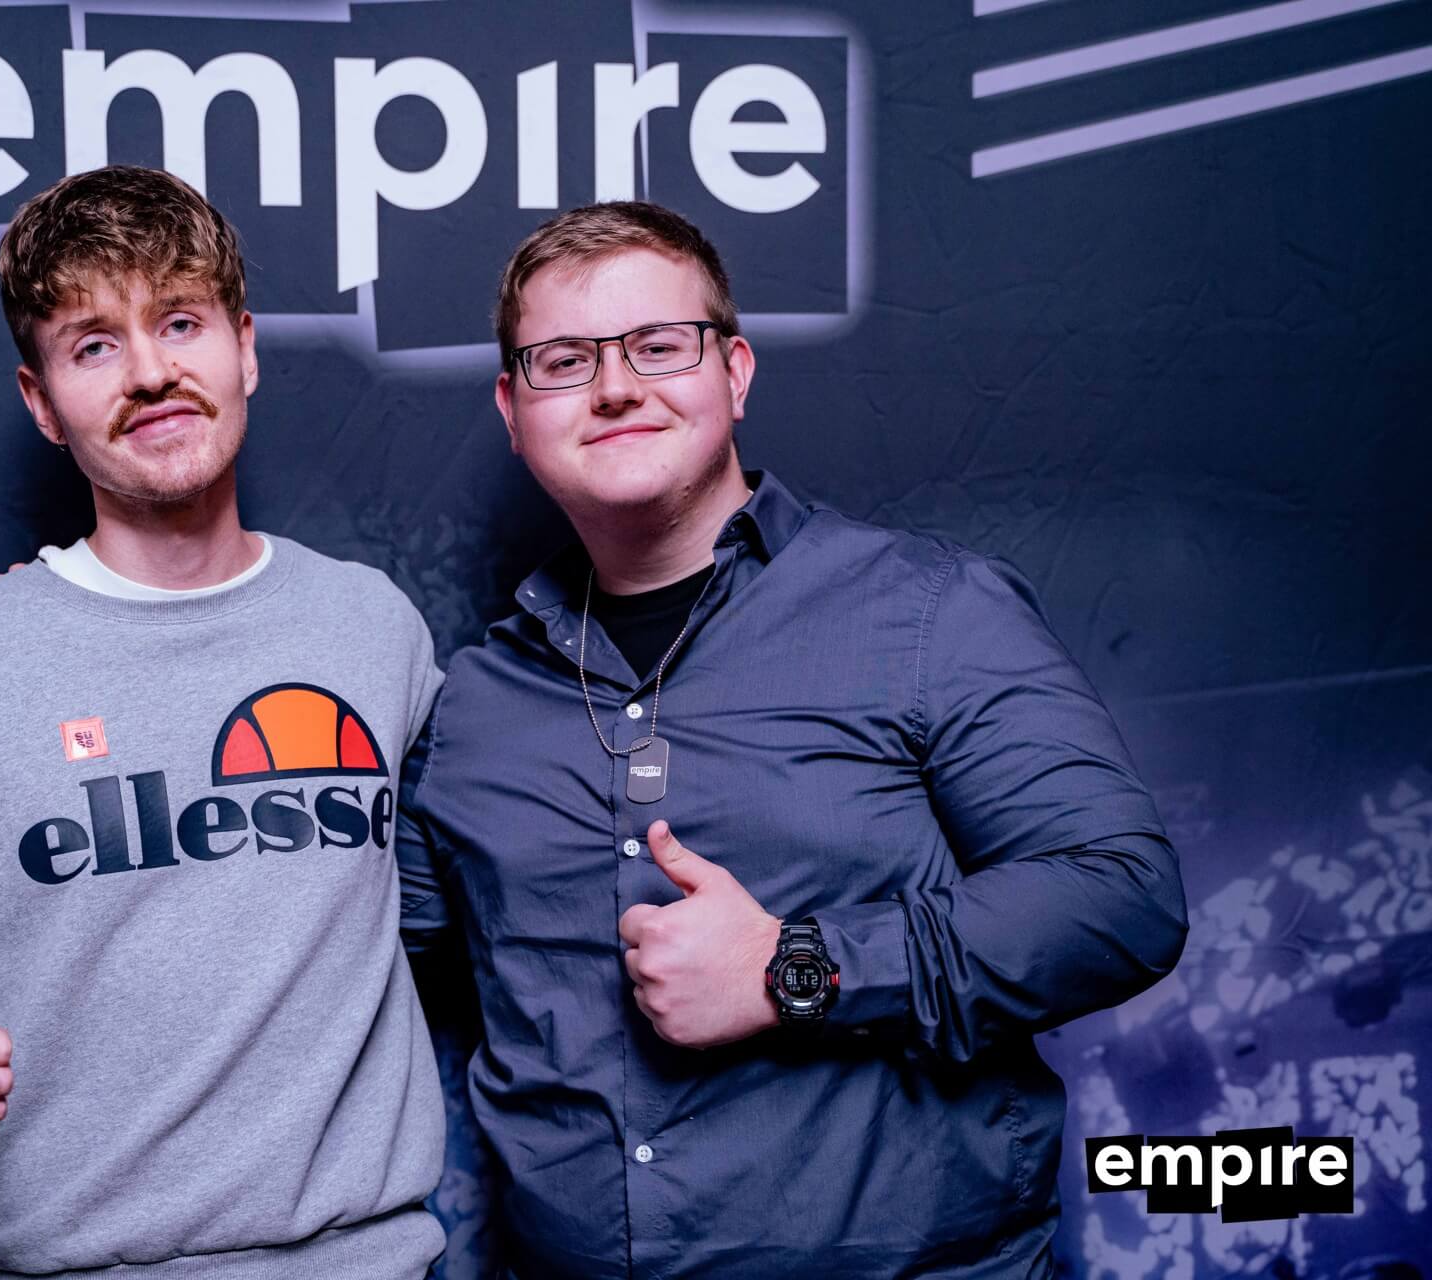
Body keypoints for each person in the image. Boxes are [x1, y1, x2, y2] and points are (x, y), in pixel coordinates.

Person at [398, 201, 1189, 1278]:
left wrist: (795, 969)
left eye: (659, 345)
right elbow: (348, 968)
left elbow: (1122, 897)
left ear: (735, 372)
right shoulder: (473, 704)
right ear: (513, 407)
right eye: (565, 360)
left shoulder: (927, 612)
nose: (615, 386)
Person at [0, 166, 446, 1279]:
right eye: (94, 344)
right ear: (41, 401)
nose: (151, 372)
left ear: (245, 348)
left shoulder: (373, 629)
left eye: (181, 322)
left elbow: (465, 893)